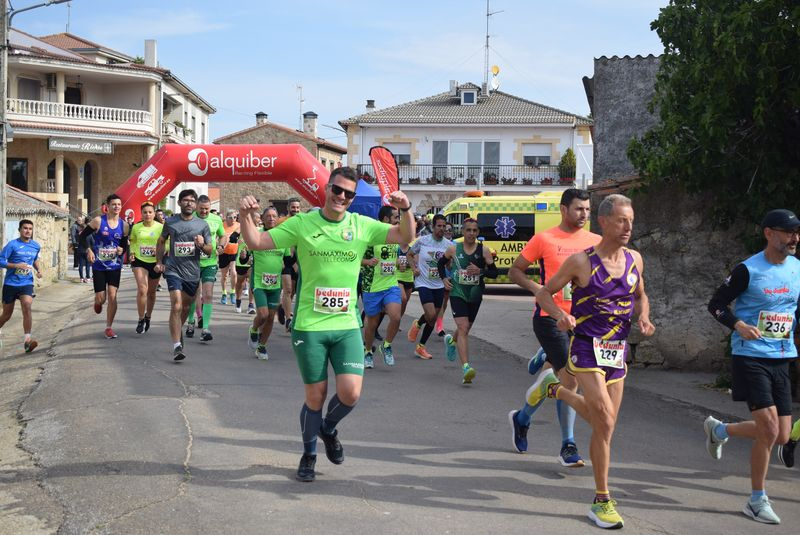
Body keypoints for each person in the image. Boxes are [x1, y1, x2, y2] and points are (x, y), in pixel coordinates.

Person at [239, 166, 414, 483]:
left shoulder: (361, 225)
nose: (342, 197)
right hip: (310, 326)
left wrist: (406, 210)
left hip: (346, 325)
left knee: (350, 393)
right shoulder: (303, 223)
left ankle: (327, 428)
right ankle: (308, 455)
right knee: (315, 397)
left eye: (349, 193)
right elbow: (256, 242)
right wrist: (244, 214)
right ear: (327, 188)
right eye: (337, 190)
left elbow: (404, 236)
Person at [533, 193, 654, 529]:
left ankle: (554, 389)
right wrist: (560, 315)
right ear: (604, 222)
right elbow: (544, 292)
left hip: (618, 351)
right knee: (603, 416)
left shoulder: (635, 260)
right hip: (586, 347)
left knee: (606, 426)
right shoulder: (581, 261)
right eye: (621, 220)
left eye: (631, 220)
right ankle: (602, 500)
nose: (628, 226)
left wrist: (643, 317)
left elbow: (641, 294)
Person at [705, 208, 800, 525]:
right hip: (750, 354)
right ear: (769, 233)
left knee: (782, 436)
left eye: (797, 232)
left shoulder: (797, 268)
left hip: (782, 356)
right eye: (788, 232)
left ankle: (720, 430)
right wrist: (738, 325)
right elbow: (715, 305)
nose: (794, 238)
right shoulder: (748, 270)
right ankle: (757, 499)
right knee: (769, 429)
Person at [507, 188, 601, 468]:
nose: (584, 214)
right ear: (563, 210)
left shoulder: (595, 241)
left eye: (587, 209)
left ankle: (522, 418)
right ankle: (568, 445)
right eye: (578, 209)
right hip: (551, 318)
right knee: (571, 382)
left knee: (558, 381)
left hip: (583, 323)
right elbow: (515, 271)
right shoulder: (544, 239)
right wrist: (539, 289)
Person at [437, 218, 497, 384]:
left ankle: (451, 341)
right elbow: (440, 264)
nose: (471, 233)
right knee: (462, 327)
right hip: (457, 293)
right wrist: (444, 279)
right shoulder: (453, 249)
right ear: (462, 231)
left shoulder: (484, 251)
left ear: (478, 233)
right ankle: (466, 368)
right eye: (468, 230)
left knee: (465, 328)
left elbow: (494, 273)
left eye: (474, 231)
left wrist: (481, 271)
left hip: (475, 295)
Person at [155, 189, 212, 361]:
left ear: (195, 204)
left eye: (192, 201)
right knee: (177, 305)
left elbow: (209, 251)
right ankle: (176, 346)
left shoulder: (202, 225)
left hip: (192, 273)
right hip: (173, 269)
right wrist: (159, 262)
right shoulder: (170, 222)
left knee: (186, 308)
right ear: (179, 203)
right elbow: (161, 241)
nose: (189, 203)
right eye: (185, 200)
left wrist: (202, 245)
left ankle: (177, 328)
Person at [80, 193, 129, 339]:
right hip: (99, 266)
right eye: (113, 204)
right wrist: (88, 250)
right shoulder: (98, 221)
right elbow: (82, 236)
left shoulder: (124, 225)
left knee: (113, 296)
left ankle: (108, 327)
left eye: (119, 204)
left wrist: (122, 250)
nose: (116, 207)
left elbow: (123, 245)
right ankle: (98, 302)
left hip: (115, 266)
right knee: (101, 299)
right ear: (107, 206)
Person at [247, 206, 293, 360]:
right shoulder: (257, 234)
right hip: (259, 282)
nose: (272, 218)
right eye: (268, 216)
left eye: (274, 216)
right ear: (263, 218)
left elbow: (288, 261)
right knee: (263, 314)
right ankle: (254, 330)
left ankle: (262, 347)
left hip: (275, 283)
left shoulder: (282, 237)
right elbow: (245, 256)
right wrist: (242, 256)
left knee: (270, 317)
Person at [406, 214, 453, 359]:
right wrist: (414, 268)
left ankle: (421, 347)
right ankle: (419, 323)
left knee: (432, 319)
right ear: (433, 227)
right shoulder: (423, 241)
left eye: (444, 226)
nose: (442, 229)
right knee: (431, 314)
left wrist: (449, 267)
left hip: (438, 283)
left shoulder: (448, 244)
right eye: (439, 226)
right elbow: (409, 254)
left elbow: (448, 264)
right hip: (423, 282)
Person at [361, 206, 403, 368]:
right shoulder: (371, 238)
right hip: (372, 286)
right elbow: (355, 258)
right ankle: (368, 352)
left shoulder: (396, 237)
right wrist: (368, 262)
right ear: (386, 219)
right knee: (371, 324)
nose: (398, 220)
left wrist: (400, 264)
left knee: (396, 316)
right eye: (395, 217)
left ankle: (386, 345)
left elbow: (396, 258)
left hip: (391, 284)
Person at [185, 195, 227, 342]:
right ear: (196, 207)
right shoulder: (189, 218)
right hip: (193, 263)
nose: (204, 212)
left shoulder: (216, 219)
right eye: (201, 209)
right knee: (192, 295)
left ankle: (206, 328)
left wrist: (221, 246)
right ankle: (190, 322)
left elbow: (223, 235)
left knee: (208, 294)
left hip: (210, 262)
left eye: (207, 209)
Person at [0, 219, 42, 353]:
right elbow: (1, 260)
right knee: (6, 315)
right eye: (25, 228)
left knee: (27, 306)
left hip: (26, 283)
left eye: (30, 228)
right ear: (20, 230)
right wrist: (15, 265)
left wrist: (39, 270)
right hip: (11, 283)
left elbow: (35, 259)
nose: (28, 231)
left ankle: (27, 341)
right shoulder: (12, 245)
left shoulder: (35, 246)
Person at [129, 202, 163, 334]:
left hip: (155, 262)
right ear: (141, 214)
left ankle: (148, 316)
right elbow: (133, 241)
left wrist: (162, 252)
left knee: (151, 293)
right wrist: (132, 252)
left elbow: (167, 243)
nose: (147, 214)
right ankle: (141, 318)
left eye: (150, 212)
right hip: (140, 260)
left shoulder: (161, 227)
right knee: (143, 289)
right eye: (145, 212)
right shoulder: (137, 227)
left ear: (154, 214)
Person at [435, 223, 456, 335]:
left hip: (449, 276)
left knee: (444, 302)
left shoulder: (455, 244)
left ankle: (439, 325)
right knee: (438, 303)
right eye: (446, 229)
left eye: (450, 230)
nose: (447, 231)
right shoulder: (439, 243)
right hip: (437, 276)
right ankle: (436, 324)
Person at [233, 221, 256, 314]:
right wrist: (237, 240)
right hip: (241, 261)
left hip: (253, 260)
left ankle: (251, 305)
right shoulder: (242, 228)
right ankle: (238, 301)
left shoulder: (259, 230)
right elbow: (232, 238)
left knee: (252, 283)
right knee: (240, 283)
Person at [219, 209, 240, 305]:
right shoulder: (222, 225)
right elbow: (217, 237)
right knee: (224, 275)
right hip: (223, 252)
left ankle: (232, 292)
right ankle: (224, 293)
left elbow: (242, 237)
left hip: (234, 252)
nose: (233, 219)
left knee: (234, 272)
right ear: (226, 218)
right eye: (230, 217)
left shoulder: (238, 225)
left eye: (235, 217)